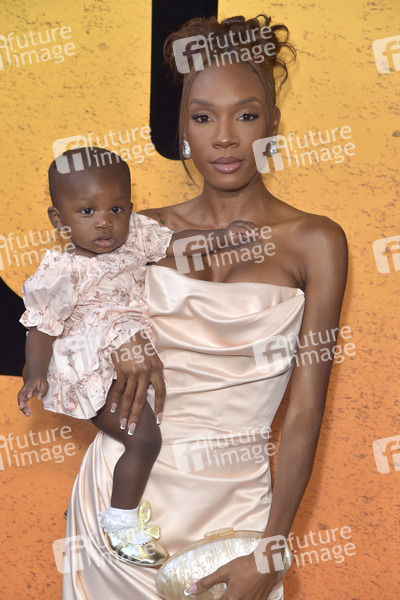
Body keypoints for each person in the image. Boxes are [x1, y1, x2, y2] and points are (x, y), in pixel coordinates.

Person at [61, 13, 347, 600]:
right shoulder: (132, 234)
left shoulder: (315, 242)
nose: (224, 138)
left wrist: (272, 547)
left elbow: (304, 410)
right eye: (202, 117)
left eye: (245, 115)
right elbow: (59, 340)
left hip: (236, 515)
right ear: (183, 128)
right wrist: (116, 340)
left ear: (272, 122)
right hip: (120, 509)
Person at [17, 147, 258, 567]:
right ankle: (119, 525)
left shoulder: (136, 239)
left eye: (116, 209)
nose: (104, 222)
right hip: (90, 369)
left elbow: (177, 244)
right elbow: (42, 326)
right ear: (59, 219)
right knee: (144, 439)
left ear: (130, 209)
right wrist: (35, 373)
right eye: (87, 211)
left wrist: (222, 237)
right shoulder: (61, 271)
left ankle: (93, 508)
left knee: (153, 431)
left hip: (130, 360)